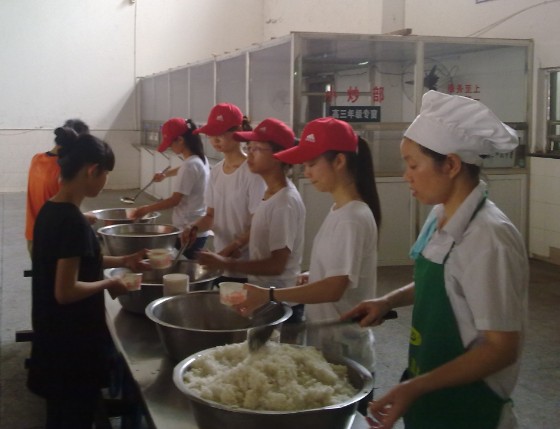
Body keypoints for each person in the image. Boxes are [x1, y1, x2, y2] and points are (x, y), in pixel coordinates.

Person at [342, 91, 529, 429]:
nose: (406, 175)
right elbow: (441, 282)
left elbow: (501, 348)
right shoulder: (440, 215)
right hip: (431, 395)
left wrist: (416, 387)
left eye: (413, 164)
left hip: (472, 410)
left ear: (451, 165)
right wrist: (388, 301)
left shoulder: (489, 238)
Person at [236, 117, 382, 413]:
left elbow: (334, 288)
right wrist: (314, 274)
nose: (307, 172)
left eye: (312, 164)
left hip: (346, 352)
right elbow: (338, 274)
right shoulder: (339, 209)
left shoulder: (353, 217)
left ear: (339, 161)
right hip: (328, 346)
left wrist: (270, 295)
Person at [28, 130, 149, 429]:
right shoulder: (73, 222)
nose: (105, 180)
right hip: (71, 349)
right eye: (106, 174)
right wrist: (111, 284)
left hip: (52, 340)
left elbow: (76, 262)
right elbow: (66, 291)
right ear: (93, 170)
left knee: (60, 418)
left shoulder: (50, 211)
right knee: (73, 419)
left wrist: (123, 260)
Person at [197, 118, 306, 322]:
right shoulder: (269, 194)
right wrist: (237, 247)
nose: (250, 154)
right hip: (264, 297)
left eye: (257, 149)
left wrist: (228, 263)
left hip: (281, 304)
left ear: (279, 156)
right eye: (249, 147)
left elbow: (277, 265)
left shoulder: (284, 202)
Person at [181, 103, 266, 283]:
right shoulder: (216, 172)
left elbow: (258, 225)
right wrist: (193, 227)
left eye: (221, 133)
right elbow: (211, 216)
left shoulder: (252, 173)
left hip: (246, 266)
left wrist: (230, 250)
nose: (215, 139)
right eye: (212, 133)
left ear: (239, 131)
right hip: (221, 262)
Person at [132, 118, 210, 259]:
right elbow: (184, 168)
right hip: (196, 225)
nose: (170, 148)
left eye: (170, 144)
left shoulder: (189, 166)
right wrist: (165, 174)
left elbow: (174, 200)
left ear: (180, 140)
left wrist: (146, 209)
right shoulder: (200, 159)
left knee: (183, 265)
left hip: (187, 229)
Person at [25, 119, 90, 256]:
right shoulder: (64, 172)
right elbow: (64, 212)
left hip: (33, 235)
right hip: (54, 239)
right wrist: (84, 219)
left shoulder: (36, 159)